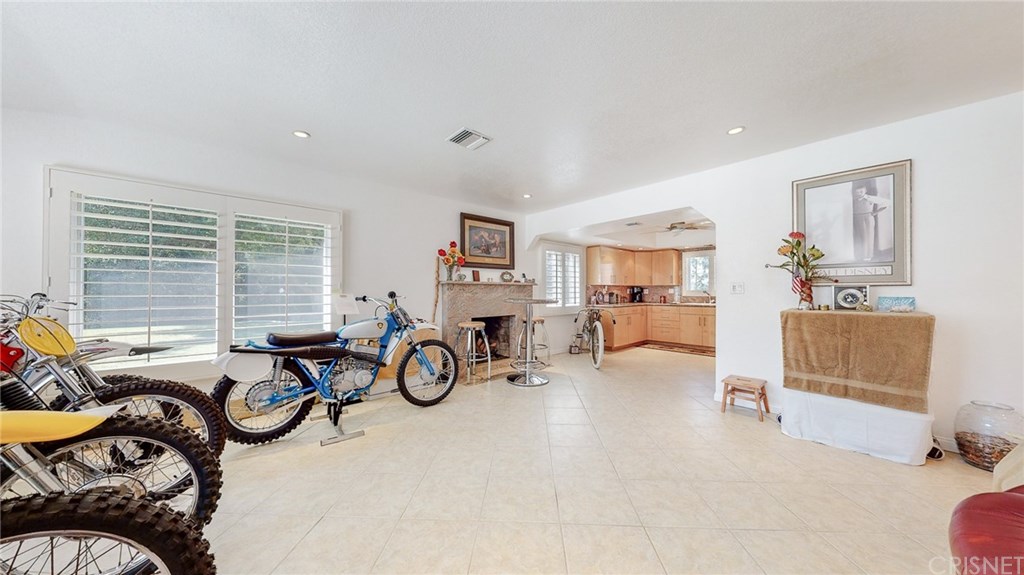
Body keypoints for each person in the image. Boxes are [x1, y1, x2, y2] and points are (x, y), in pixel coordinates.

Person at [850, 177, 890, 262]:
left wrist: (875, 212)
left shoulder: (870, 198)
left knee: (868, 237)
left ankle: (867, 256)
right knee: (859, 237)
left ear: (865, 190)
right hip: (856, 218)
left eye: (861, 191)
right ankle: (859, 255)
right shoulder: (854, 200)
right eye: (857, 192)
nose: (859, 193)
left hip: (867, 218)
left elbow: (887, 203)